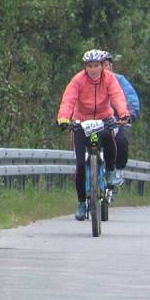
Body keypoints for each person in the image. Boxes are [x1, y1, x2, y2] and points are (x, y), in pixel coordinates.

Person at [57, 49, 129, 220]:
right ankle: (82, 203)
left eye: (96, 65)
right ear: (85, 67)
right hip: (81, 121)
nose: (93, 69)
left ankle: (110, 171)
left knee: (110, 139)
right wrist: (63, 118)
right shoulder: (78, 80)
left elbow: (117, 96)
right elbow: (69, 99)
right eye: (90, 66)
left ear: (102, 66)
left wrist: (123, 114)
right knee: (80, 165)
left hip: (104, 119)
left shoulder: (109, 79)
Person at [103, 52, 140, 185]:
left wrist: (130, 113)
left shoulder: (119, 80)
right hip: (94, 121)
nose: (102, 68)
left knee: (122, 141)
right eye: (98, 65)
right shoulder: (86, 82)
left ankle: (118, 169)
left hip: (117, 121)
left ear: (110, 67)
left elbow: (130, 97)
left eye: (105, 64)